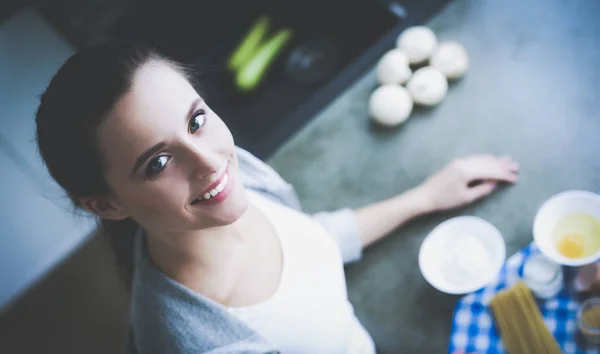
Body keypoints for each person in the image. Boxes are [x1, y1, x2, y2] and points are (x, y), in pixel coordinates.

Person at [35, 42, 519, 354]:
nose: (208, 161)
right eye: (158, 163)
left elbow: (314, 239)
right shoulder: (205, 345)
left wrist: (424, 196)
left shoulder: (236, 177)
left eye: (196, 120)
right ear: (106, 204)